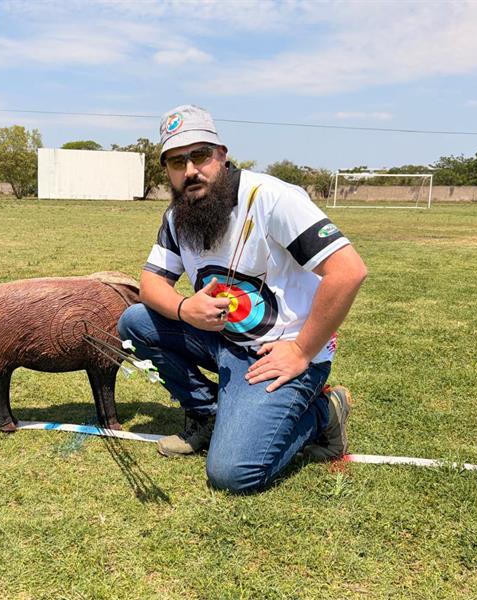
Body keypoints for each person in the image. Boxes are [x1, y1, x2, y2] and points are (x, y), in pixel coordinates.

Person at [118, 104, 367, 493]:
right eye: (176, 162)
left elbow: (348, 270)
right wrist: (185, 308)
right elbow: (150, 283)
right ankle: (209, 415)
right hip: (224, 342)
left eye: (199, 156)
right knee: (135, 321)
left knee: (232, 474)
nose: (190, 171)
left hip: (280, 355)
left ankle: (325, 411)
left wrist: (301, 351)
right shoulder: (178, 214)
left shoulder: (272, 198)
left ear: (222, 154)